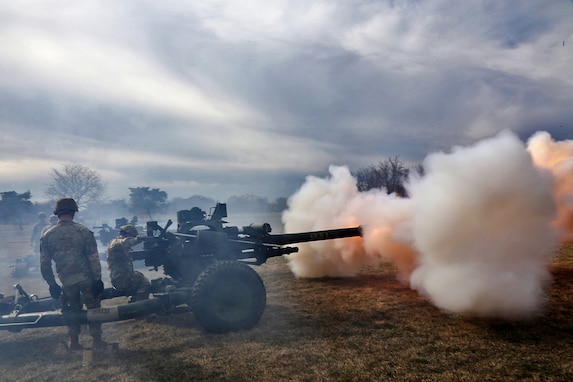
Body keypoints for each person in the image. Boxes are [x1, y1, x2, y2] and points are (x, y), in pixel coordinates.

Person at [40, 198, 106, 351]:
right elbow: (93, 258)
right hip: (86, 278)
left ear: (57, 214)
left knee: (71, 310)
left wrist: (52, 284)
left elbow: (44, 264)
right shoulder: (83, 231)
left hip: (67, 281)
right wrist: (97, 279)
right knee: (93, 309)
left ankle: (74, 342)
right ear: (73, 213)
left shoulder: (48, 235)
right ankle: (97, 341)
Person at [107, 224, 150, 302]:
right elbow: (126, 242)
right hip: (121, 279)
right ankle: (141, 305)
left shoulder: (117, 243)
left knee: (137, 276)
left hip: (121, 277)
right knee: (144, 282)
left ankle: (134, 301)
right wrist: (140, 239)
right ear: (128, 235)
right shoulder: (117, 243)